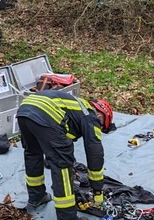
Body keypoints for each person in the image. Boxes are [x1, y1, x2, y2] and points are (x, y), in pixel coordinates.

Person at [16, 90, 116, 220]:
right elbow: (94, 152)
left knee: (33, 154)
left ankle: (37, 197)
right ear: (101, 116)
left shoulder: (77, 107)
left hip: (25, 109)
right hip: (46, 112)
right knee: (62, 165)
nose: (99, 128)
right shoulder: (90, 116)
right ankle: (67, 216)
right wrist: (97, 189)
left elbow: (60, 133)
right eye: (101, 126)